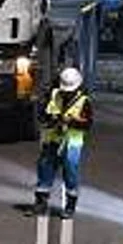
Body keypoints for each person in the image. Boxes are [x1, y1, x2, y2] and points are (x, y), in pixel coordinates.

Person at [33, 66, 94, 220]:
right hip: (52, 139)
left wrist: (72, 122)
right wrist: (53, 120)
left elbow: (87, 124)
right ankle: (40, 202)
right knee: (45, 168)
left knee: (70, 170)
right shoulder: (53, 95)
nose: (67, 93)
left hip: (71, 142)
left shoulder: (84, 101)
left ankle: (70, 205)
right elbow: (42, 116)